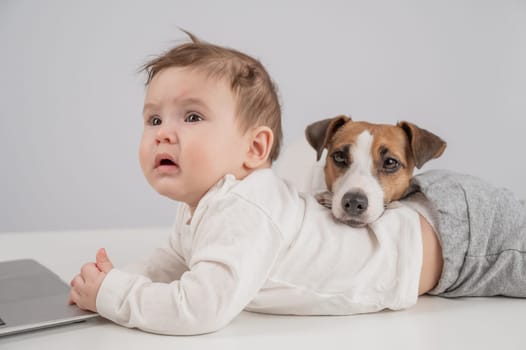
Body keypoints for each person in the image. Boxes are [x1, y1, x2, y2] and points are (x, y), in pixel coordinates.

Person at [68, 32, 525, 335]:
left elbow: (200, 308)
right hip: (421, 226)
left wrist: (113, 295)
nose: (164, 132)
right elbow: (178, 256)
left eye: (191, 117)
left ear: (255, 148)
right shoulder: (207, 206)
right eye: (153, 119)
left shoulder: (247, 211)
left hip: (466, 243)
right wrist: (125, 276)